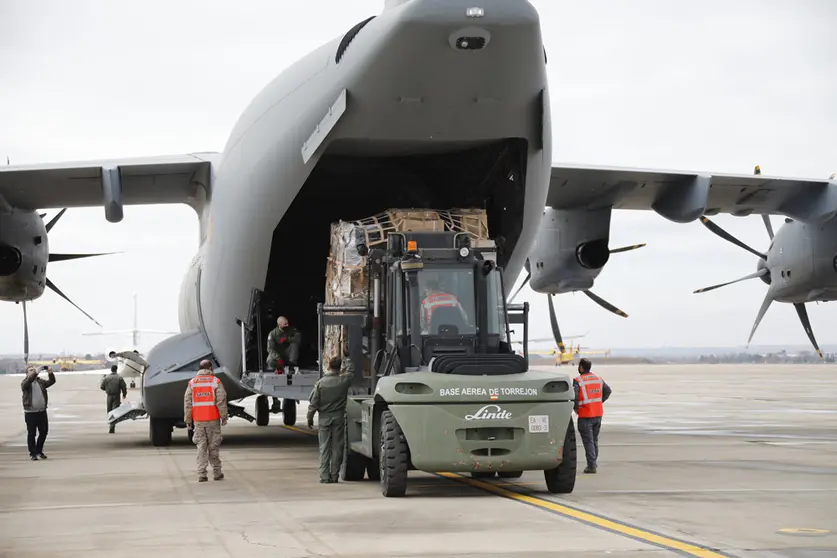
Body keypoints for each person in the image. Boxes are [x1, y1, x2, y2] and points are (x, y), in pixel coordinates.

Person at [306, 346, 355, 484]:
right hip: (338, 417)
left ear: (328, 366)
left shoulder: (320, 384)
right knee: (338, 447)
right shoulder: (343, 381)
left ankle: (324, 476)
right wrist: (348, 357)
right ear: (340, 368)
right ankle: (334, 475)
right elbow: (351, 371)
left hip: (324, 418)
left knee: (324, 447)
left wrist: (309, 418)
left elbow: (313, 404)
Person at [184, 359, 229, 482]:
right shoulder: (216, 382)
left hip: (198, 421)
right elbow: (221, 401)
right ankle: (217, 472)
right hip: (213, 420)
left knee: (201, 447)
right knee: (213, 447)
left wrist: (188, 419)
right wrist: (224, 416)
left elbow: (188, 403)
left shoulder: (192, 383)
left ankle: (202, 474)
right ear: (210, 368)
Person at [573, 358, 612, 474]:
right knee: (594, 440)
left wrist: (576, 408)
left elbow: (574, 396)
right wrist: (599, 402)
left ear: (581, 367)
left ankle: (592, 465)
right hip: (598, 414)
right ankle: (593, 462)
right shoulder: (598, 379)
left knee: (588, 441)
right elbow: (608, 391)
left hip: (585, 415)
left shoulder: (578, 380)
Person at [265, 316, 302, 411]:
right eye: (284, 324)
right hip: (278, 354)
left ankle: (291, 366)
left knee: (294, 346)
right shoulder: (273, 334)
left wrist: (288, 339)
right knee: (270, 359)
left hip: (288, 353)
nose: (287, 325)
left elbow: (298, 338)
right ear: (279, 325)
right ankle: (278, 368)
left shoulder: (291, 330)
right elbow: (270, 349)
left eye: (287, 323)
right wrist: (278, 359)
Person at [21, 365, 56, 461]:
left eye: (33, 370)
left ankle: (39, 451)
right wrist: (36, 371)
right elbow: (28, 381)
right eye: (30, 370)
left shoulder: (40, 382)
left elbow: (51, 382)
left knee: (44, 432)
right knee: (32, 433)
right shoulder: (25, 383)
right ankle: (33, 453)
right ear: (27, 373)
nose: (33, 371)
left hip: (42, 412)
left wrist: (50, 373)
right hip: (30, 413)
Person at [100, 365, 128, 433]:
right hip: (116, 396)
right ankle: (112, 426)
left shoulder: (106, 378)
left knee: (109, 411)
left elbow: (102, 387)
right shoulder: (119, 378)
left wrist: (107, 389)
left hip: (109, 396)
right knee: (115, 411)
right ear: (116, 369)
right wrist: (124, 394)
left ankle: (111, 425)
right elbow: (123, 387)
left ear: (111, 370)